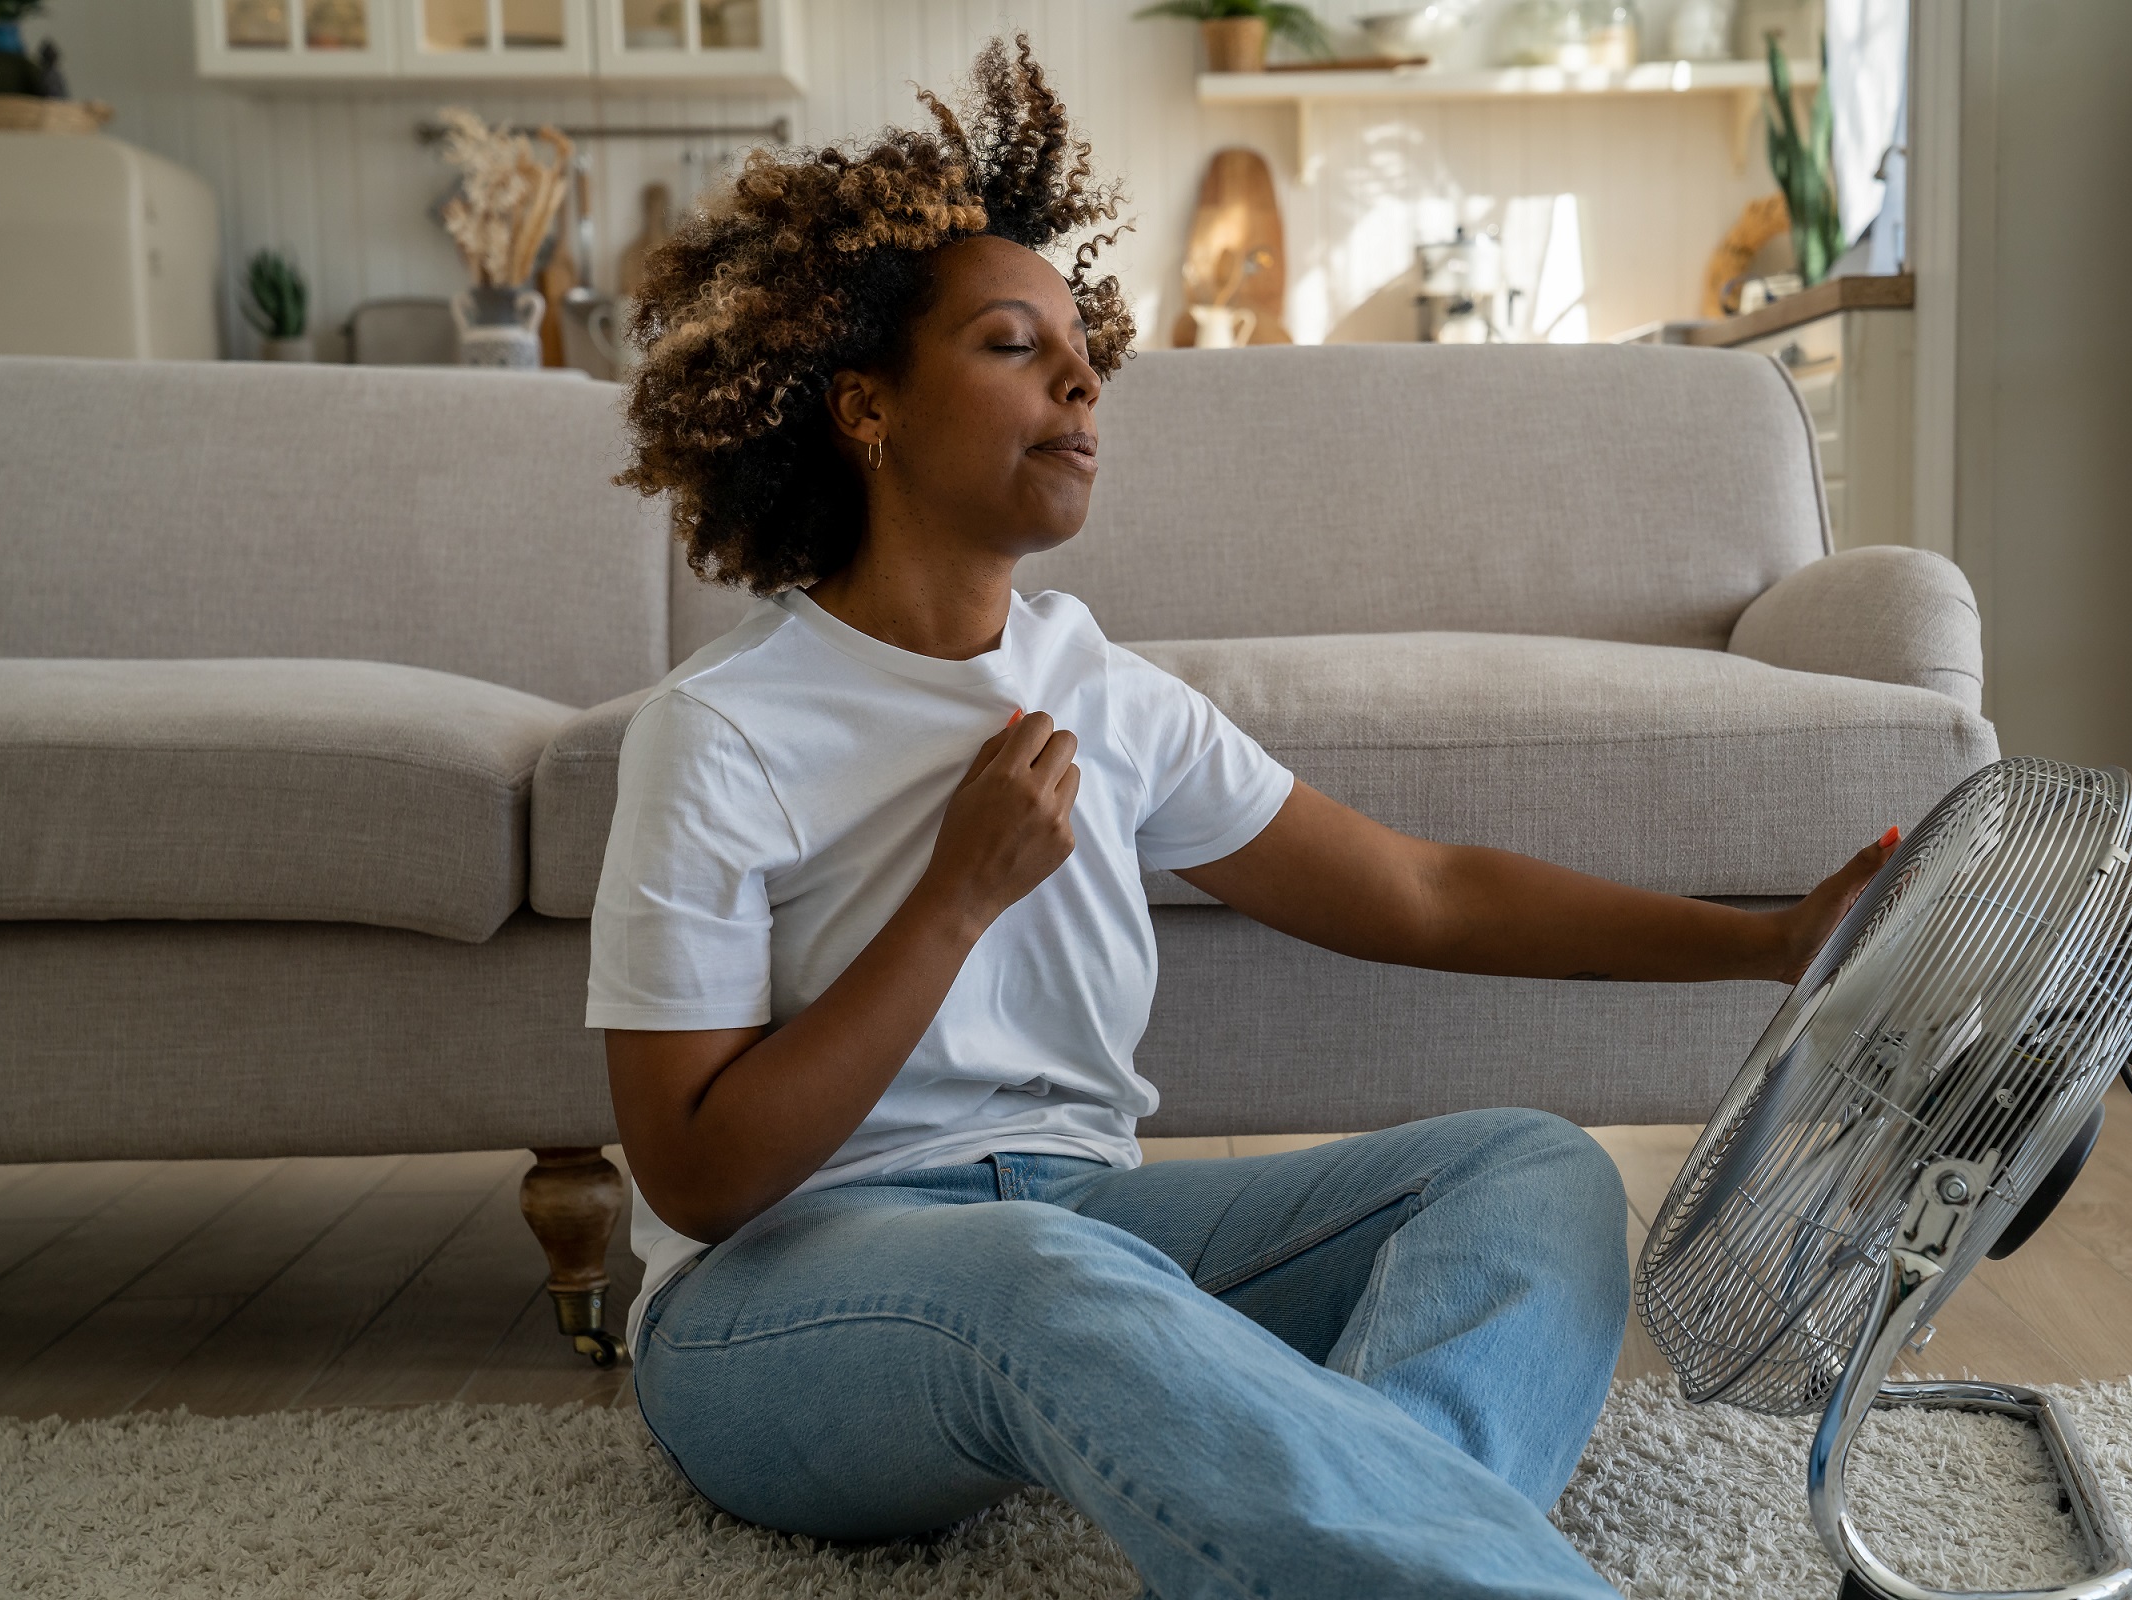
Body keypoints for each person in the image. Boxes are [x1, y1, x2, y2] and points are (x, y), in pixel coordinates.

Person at [597, 37, 1893, 1600]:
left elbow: (1418, 891)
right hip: (775, 1306)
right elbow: (695, 1177)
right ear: (865, 409)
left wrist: (1773, 943)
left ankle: (1369, 1542)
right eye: (1014, 346)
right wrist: (953, 900)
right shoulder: (723, 730)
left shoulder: (1100, 691)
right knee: (1048, 1271)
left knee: (1533, 1176)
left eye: (1082, 347)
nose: (1082, 380)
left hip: (1085, 1230)